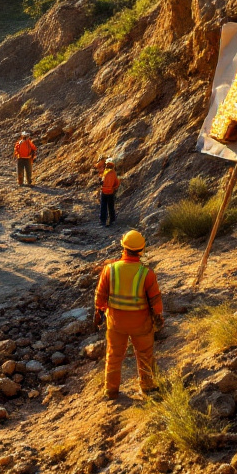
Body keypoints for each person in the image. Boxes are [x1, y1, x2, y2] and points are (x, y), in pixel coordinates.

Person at [94, 230, 164, 399]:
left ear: (123, 247)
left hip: (116, 324)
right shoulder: (147, 273)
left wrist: (99, 313)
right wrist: (159, 318)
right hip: (141, 324)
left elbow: (100, 298)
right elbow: (156, 304)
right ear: (142, 250)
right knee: (145, 355)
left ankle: (111, 391)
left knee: (114, 355)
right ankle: (147, 388)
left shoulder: (110, 269)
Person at [98, 157, 120, 227]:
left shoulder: (105, 172)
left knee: (103, 207)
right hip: (110, 192)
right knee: (111, 207)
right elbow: (117, 183)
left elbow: (102, 181)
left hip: (104, 192)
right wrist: (114, 188)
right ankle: (112, 220)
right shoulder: (113, 173)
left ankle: (103, 221)